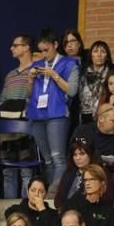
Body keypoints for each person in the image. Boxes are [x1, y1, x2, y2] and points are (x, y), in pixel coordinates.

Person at [26, 30, 79, 186]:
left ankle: (56, 194)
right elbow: (29, 94)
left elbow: (72, 90)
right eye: (41, 51)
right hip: (37, 115)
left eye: (46, 50)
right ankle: (48, 192)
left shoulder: (70, 64)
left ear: (55, 45)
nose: (44, 54)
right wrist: (29, 79)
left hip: (57, 114)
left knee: (58, 157)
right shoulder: (37, 65)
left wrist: (55, 76)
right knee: (47, 159)